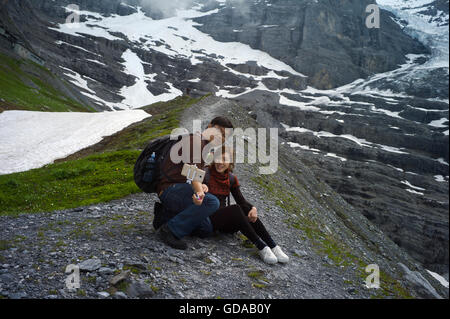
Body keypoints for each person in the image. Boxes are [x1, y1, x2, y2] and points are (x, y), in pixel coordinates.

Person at [199, 147, 289, 264]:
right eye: (218, 158)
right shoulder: (205, 173)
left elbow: (241, 200)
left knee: (246, 208)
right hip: (209, 219)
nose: (220, 162)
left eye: (224, 159)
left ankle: (273, 246)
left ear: (230, 162)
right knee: (235, 209)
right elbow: (193, 191)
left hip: (225, 223)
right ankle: (261, 247)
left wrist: (253, 208)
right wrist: (201, 188)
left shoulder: (231, 178)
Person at [155, 117, 234, 250]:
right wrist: (199, 191)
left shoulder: (203, 145)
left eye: (225, 136)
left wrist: (201, 186)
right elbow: (193, 174)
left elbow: (189, 172)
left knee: (205, 229)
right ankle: (169, 231)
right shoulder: (195, 141)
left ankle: (164, 216)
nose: (221, 138)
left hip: (180, 188)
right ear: (210, 126)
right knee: (211, 202)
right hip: (170, 189)